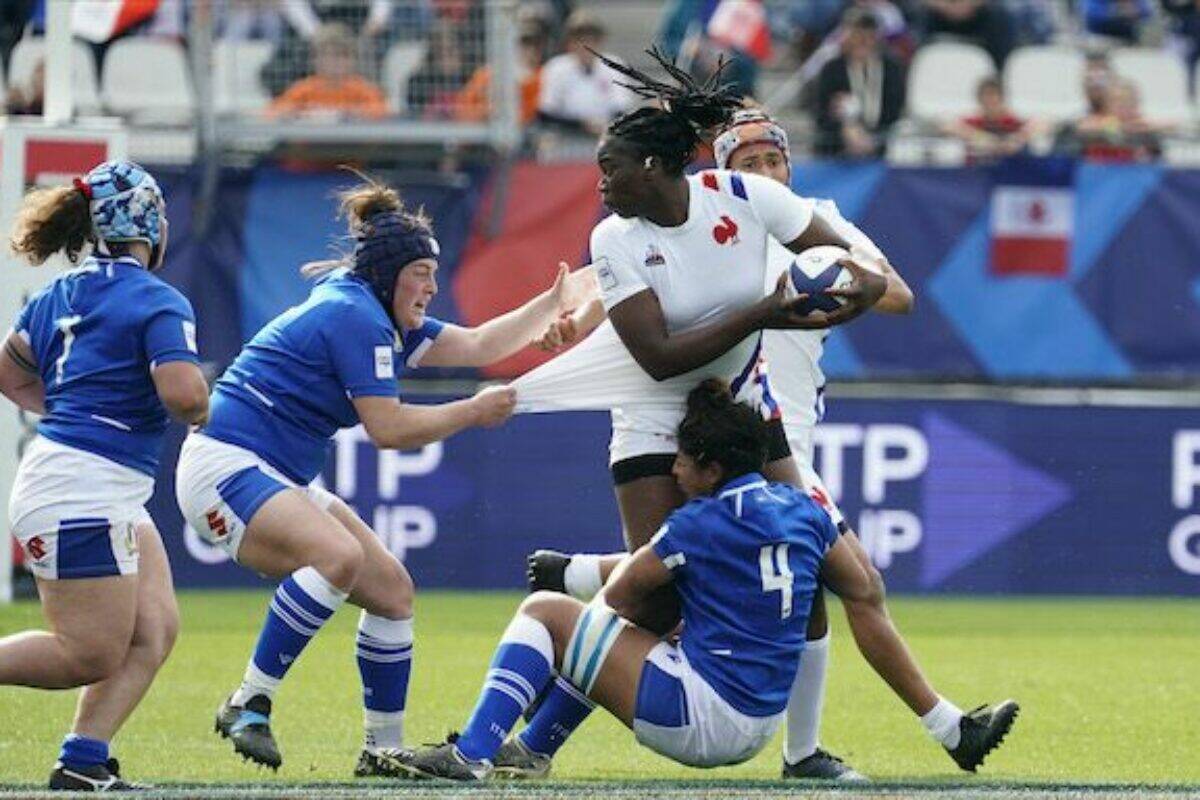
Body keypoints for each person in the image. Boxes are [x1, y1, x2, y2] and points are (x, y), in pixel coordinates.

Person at [393, 381, 1019, 781]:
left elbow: (615, 600)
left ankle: (472, 756)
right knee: (615, 633)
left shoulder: (698, 523)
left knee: (546, 614)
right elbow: (854, 585)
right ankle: (529, 753)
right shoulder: (804, 511)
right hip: (760, 722)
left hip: (699, 717)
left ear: (713, 468)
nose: (675, 468)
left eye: (684, 460)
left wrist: (553, 652)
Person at [174, 175, 585, 778]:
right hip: (224, 465)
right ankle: (247, 701)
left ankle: (380, 750)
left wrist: (550, 305)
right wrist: (474, 410)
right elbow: (388, 429)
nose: (432, 286)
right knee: (337, 557)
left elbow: (474, 344)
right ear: (390, 274)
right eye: (422, 272)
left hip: (271, 471)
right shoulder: (356, 317)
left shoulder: (372, 306)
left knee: (392, 591)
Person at [712, 106, 914, 781]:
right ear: (723, 177)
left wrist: (830, 277)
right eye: (749, 166)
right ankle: (940, 726)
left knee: (821, 591)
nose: (767, 174)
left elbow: (898, 296)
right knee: (853, 581)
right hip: (731, 441)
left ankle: (806, 753)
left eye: (774, 161)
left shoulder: (817, 220)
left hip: (786, 438)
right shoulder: (706, 230)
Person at [0, 161, 210, 791]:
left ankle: (83, 759)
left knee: (153, 629)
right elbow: (183, 395)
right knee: (87, 653)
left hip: (87, 481)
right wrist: (205, 403)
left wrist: (72, 413)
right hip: (83, 489)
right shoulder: (157, 298)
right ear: (150, 224)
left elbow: (9, 374)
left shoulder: (58, 294)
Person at [814, 9, 906, 158]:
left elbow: (895, 110)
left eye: (868, 36)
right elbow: (820, 113)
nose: (862, 41)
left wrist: (873, 139)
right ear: (847, 37)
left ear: (877, 38)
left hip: (882, 149)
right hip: (838, 151)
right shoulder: (832, 69)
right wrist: (844, 129)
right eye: (857, 35)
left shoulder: (891, 69)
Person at [536, 10, 636, 138]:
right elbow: (546, 112)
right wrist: (581, 124)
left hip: (607, 134)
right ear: (569, 43)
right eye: (579, 40)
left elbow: (622, 106)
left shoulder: (614, 64)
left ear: (600, 42)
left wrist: (603, 124)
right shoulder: (556, 68)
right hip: (565, 135)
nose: (586, 46)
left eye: (592, 40)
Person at [266, 22, 389, 120]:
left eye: (340, 55)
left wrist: (349, 114)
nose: (333, 62)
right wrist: (297, 113)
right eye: (325, 55)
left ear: (353, 60)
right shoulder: (303, 88)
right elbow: (273, 112)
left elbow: (382, 112)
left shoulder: (364, 89)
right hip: (308, 148)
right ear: (314, 59)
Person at [943, 76, 1036, 161]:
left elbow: (1042, 124)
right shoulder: (974, 122)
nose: (990, 100)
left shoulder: (1011, 121)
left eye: (994, 95)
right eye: (986, 96)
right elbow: (947, 126)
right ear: (979, 99)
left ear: (1001, 98)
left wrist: (1018, 138)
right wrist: (979, 137)